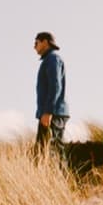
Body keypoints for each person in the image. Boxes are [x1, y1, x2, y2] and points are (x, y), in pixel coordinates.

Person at [33, 31, 69, 162]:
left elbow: (55, 85)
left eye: (36, 42)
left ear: (45, 42)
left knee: (55, 150)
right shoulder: (49, 60)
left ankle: (63, 181)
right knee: (41, 151)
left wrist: (48, 112)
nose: (34, 46)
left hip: (54, 114)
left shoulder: (53, 59)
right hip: (49, 113)